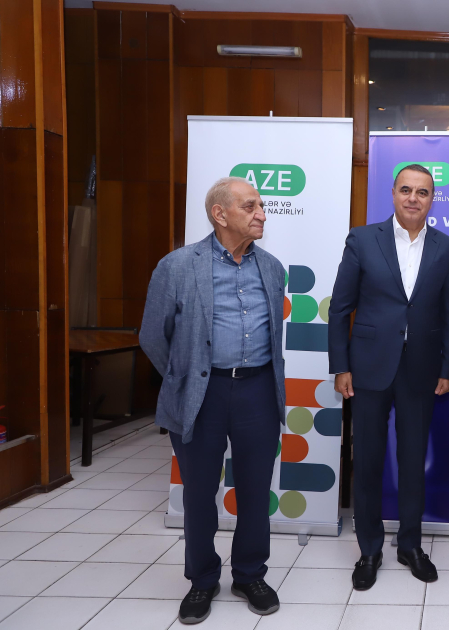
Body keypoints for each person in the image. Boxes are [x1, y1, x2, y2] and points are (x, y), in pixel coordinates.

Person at [140, 177, 287, 624]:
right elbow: (152, 336)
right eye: (250, 206)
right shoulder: (178, 266)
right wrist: (186, 377)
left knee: (255, 491)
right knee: (200, 493)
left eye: (261, 206)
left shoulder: (272, 267)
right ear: (219, 214)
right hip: (202, 393)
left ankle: (249, 575)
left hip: (258, 390)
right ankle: (202, 580)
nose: (262, 214)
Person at [328, 164, 449, 590]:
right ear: (393, 193)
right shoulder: (363, 239)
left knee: (412, 461)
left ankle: (410, 545)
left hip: (421, 369)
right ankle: (369, 549)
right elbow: (340, 308)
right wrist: (341, 366)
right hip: (368, 367)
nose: (413, 198)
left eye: (422, 192)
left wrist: (447, 368)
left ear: (432, 198)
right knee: (367, 460)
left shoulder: (446, 247)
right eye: (406, 190)